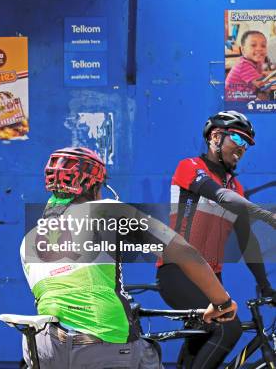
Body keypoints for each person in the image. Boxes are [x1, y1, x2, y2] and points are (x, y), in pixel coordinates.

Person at [21, 147, 238, 369]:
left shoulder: (28, 242)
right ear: (94, 185)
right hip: (104, 346)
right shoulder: (105, 212)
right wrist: (222, 303)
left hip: (43, 349)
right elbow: (182, 252)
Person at [157, 110, 276, 368]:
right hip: (178, 272)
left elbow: (247, 242)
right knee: (228, 328)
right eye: (238, 139)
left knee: (199, 342)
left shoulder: (237, 189)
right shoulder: (190, 167)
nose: (243, 148)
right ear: (215, 137)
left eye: (247, 144)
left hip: (211, 277)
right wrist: (267, 216)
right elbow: (220, 196)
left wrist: (265, 286)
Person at [225, 30, 276, 101]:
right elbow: (261, 84)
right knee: (268, 94)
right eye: (253, 45)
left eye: (263, 46)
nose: (259, 49)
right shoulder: (243, 65)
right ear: (243, 50)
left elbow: (261, 75)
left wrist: (271, 73)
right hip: (233, 102)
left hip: (247, 96)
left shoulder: (256, 62)